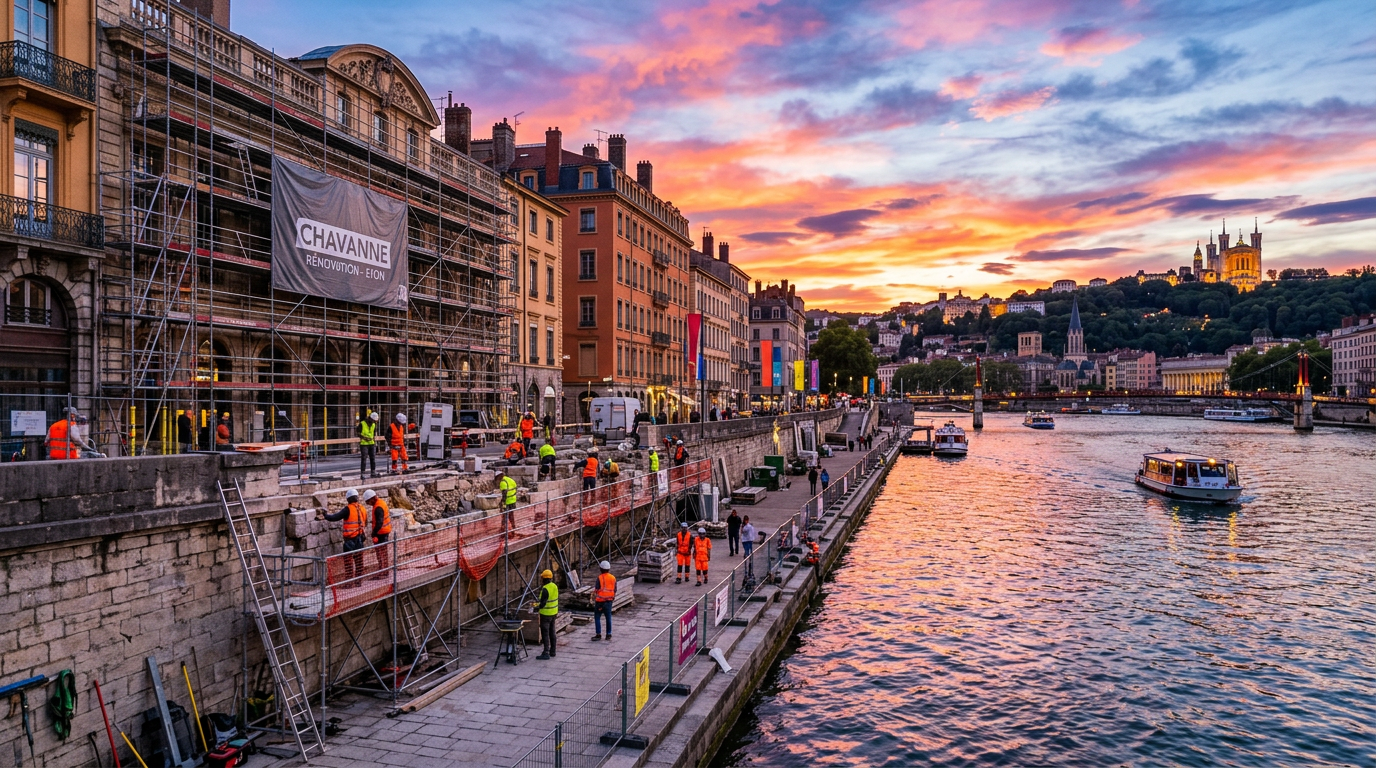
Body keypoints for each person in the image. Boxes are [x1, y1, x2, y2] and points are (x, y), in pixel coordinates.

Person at [322, 488, 368, 580]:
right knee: (359, 560)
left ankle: (349, 581)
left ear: (349, 499)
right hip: (360, 538)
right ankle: (359, 581)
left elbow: (335, 517)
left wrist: (325, 515)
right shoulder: (362, 508)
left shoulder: (348, 509)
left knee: (348, 561)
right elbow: (365, 522)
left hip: (350, 540)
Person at [363, 489, 391, 574]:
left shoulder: (378, 507)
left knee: (380, 553)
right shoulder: (380, 503)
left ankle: (382, 572)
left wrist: (374, 533)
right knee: (384, 552)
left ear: (373, 498)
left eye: (368, 502)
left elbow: (379, 522)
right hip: (384, 531)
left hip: (381, 533)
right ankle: (385, 571)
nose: (368, 504)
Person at [535, 569, 559, 658]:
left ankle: (546, 652)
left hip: (546, 614)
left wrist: (536, 606)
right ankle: (553, 651)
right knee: (552, 632)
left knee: (545, 633)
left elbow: (543, 603)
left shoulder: (545, 589)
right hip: (554, 613)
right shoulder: (554, 586)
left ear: (544, 579)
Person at [591, 560, 616, 641]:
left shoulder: (600, 578)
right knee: (608, 617)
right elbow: (615, 589)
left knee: (597, 617)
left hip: (600, 601)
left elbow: (597, 589)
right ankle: (608, 634)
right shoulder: (613, 578)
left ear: (601, 569)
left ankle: (598, 634)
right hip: (609, 601)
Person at [358, 411, 380, 478]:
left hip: (371, 443)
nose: (374, 422)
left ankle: (373, 472)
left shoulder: (373, 424)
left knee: (373, 458)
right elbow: (358, 433)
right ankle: (362, 473)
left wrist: (374, 440)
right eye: (374, 420)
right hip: (364, 444)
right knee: (364, 458)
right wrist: (364, 437)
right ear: (370, 418)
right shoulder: (362, 424)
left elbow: (373, 433)